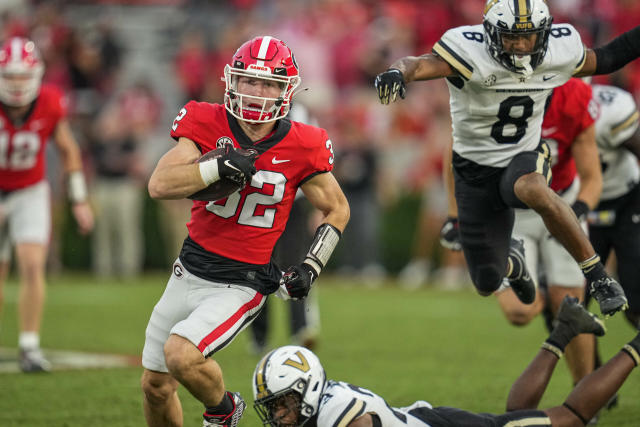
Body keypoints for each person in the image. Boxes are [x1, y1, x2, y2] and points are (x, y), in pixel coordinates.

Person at [374, 0, 640, 317]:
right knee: (487, 280)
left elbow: (608, 57)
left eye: (528, 37)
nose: (520, 46)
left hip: (525, 152)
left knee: (532, 188)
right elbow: (419, 63)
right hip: (474, 169)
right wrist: (397, 72)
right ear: (489, 34)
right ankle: (513, 261)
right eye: (511, 37)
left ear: (544, 33)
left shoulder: (559, 48)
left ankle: (598, 277)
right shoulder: (469, 50)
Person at [140, 36, 350, 427]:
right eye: (250, 81)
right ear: (231, 82)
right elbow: (159, 185)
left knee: (181, 355)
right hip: (188, 268)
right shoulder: (205, 120)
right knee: (155, 385)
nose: (258, 92)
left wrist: (311, 266)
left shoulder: (305, 143)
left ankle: (223, 410)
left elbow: (336, 207)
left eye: (269, 83)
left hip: (243, 281)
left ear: (286, 90)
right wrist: (215, 167)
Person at [252, 296, 640, 427]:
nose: (279, 416)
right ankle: (564, 328)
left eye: (283, 404)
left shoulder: (342, 416)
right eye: (274, 407)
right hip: (427, 417)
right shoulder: (319, 410)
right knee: (514, 417)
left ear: (309, 389)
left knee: (569, 419)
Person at [495, 77, 601, 387]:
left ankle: (585, 396)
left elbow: (592, 177)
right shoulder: (498, 87)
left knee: (569, 304)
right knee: (518, 311)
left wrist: (573, 215)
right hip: (513, 211)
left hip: (561, 201)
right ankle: (539, 284)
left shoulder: (574, 95)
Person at [0, 37, 94, 372]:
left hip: (29, 189)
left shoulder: (50, 102)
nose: (16, 84)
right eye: (9, 76)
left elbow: (68, 149)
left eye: (22, 77)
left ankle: (29, 345)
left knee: (31, 261)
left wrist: (79, 199)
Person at [585, 83, 640, 373]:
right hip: (578, 206)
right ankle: (590, 382)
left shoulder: (608, 109)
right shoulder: (537, 107)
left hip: (626, 201)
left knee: (635, 301)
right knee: (568, 305)